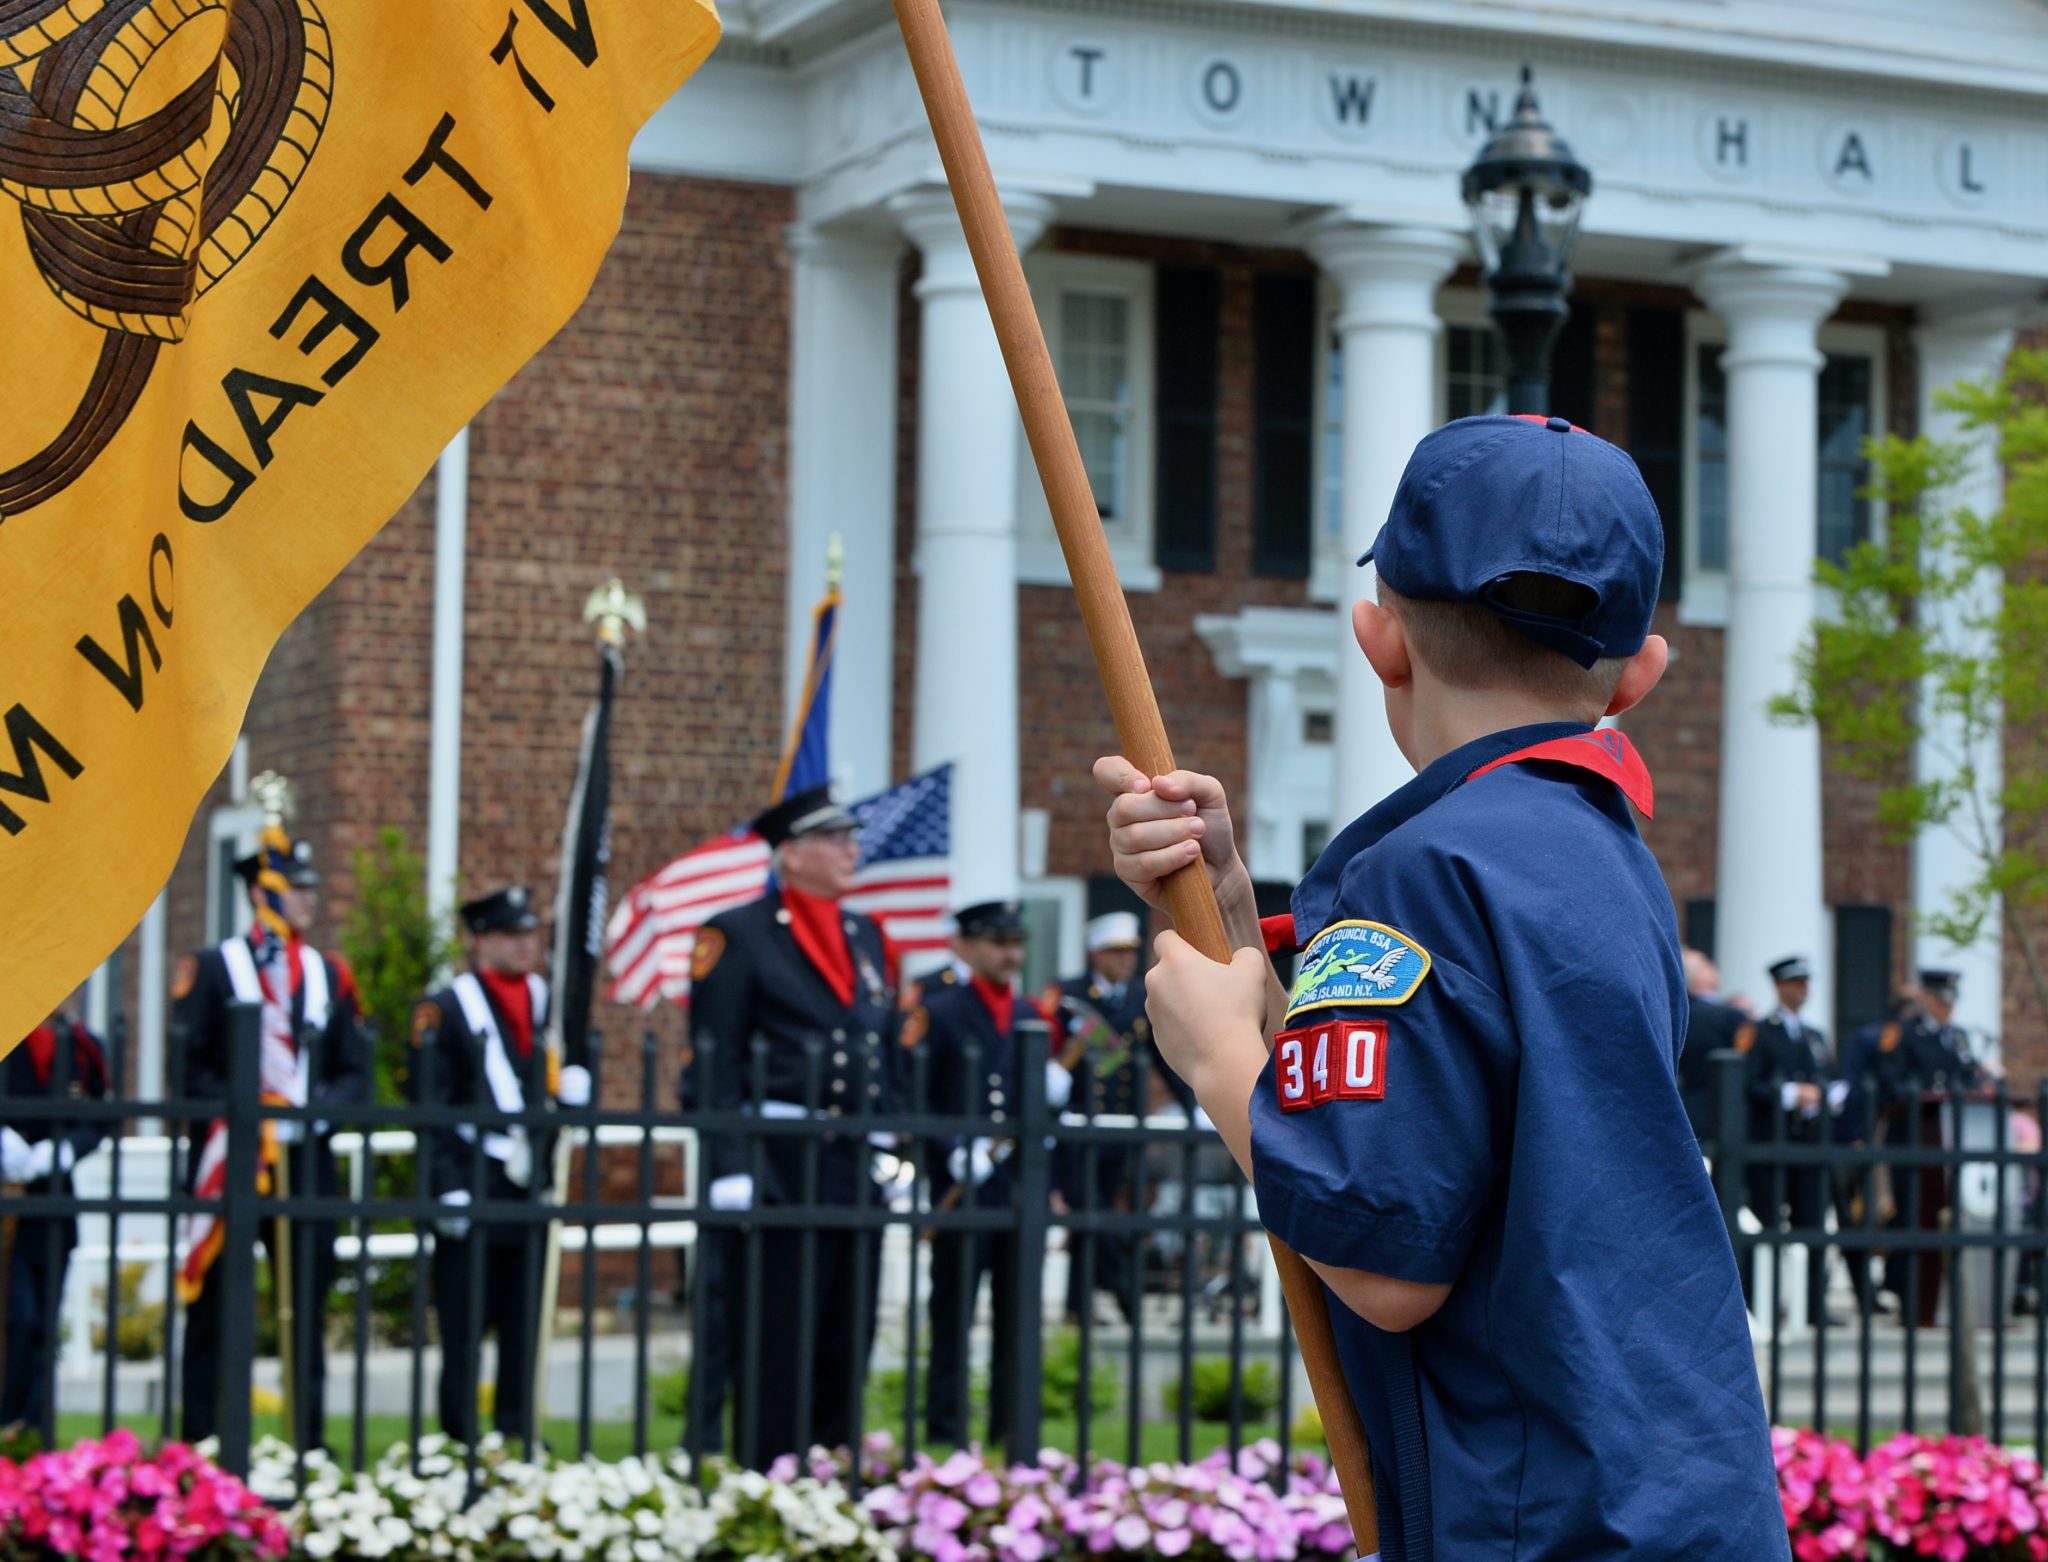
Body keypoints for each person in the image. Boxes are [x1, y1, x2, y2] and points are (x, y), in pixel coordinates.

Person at [1095, 414, 1787, 1558]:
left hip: (1537, 1517)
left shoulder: (1419, 867)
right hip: (1660, 1501)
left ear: (1379, 638)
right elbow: (1409, 1104)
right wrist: (1223, 904)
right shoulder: (1596, 851)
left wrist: (1219, 1061)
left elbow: (1383, 1259)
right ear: (1640, 674)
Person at [684, 784, 902, 1468]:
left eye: (850, 837)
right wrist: (730, 1167)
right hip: (778, 1160)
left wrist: (894, 1145)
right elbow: (711, 1064)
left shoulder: (865, 933)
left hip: (851, 1165)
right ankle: (768, 1472)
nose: (851, 849)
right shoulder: (737, 933)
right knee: (779, 1335)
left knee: (848, 1329)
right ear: (792, 854)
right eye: (835, 839)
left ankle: (832, 1470)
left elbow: (881, 1048)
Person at [174, 839, 368, 1449]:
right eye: (295, 889)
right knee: (215, 1307)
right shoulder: (215, 966)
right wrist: (249, 1111)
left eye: (310, 888)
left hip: (304, 1156)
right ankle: (205, 1436)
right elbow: (189, 1066)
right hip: (232, 1156)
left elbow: (353, 1070)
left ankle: (305, 1440)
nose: (307, 899)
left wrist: (312, 1115)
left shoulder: (327, 973)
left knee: (305, 1303)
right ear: (261, 895)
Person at [413, 884, 589, 1449]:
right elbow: (432, 1109)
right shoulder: (446, 1007)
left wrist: (579, 1087)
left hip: (529, 1180)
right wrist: (447, 1189)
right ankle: (460, 1437)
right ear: (480, 940)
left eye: (529, 934)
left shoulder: (548, 1004)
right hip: (474, 1176)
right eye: (511, 935)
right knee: (465, 1323)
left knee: (526, 1320)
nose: (523, 945)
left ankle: (517, 1429)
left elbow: (566, 1071)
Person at [917, 900, 1069, 1448]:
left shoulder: (1032, 1016)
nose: (1010, 954)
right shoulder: (940, 1010)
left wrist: (1053, 1104)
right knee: (953, 1314)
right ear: (967, 946)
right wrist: (953, 1148)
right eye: (997, 943)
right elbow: (919, 1095)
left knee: (1017, 1317)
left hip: (1016, 1187)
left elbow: (1042, 1112)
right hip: (963, 1187)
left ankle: (1010, 1427)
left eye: (1015, 943)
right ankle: (946, 1426)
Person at [0, 1011, 111, 1432]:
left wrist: (65, 1150)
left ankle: (32, 1429)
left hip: (51, 1198)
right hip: (6, 1189)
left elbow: (100, 1112)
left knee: (44, 1323)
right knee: (18, 1319)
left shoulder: (79, 1041)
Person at [1051, 912, 1149, 1326]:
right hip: (1078, 1126)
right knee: (1088, 1210)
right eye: (1117, 952)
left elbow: (1159, 1057)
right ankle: (1122, 1288)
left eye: (1130, 953)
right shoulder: (1070, 994)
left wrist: (1192, 1104)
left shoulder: (1140, 997)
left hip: (1122, 1125)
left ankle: (1078, 1304)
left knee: (1100, 1210)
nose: (1126, 961)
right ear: (1096, 954)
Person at [1744, 956, 1836, 1325]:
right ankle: (1757, 1303)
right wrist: (1790, 1095)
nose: (1803, 989)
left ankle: (1815, 1305)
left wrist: (1819, 1097)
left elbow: (1828, 1076)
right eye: (1796, 982)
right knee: (1765, 1224)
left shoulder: (1815, 1036)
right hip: (1772, 1142)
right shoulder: (1762, 1031)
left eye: (1805, 982)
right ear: (1780, 986)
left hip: (1808, 1142)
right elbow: (1750, 1083)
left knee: (1812, 1224)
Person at [1678, 948, 1748, 1145]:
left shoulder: (1677, 1016)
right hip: (1727, 1110)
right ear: (1700, 976)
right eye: (1707, 963)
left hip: (1687, 1108)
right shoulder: (1730, 1016)